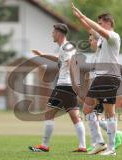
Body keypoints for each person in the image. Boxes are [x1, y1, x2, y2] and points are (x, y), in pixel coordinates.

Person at [28, 23, 87, 152]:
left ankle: (44, 146)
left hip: (63, 86)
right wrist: (42, 55)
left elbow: (71, 64)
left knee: (48, 114)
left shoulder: (66, 47)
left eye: (53, 32)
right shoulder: (65, 47)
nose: (51, 34)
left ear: (59, 33)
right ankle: (82, 146)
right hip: (69, 86)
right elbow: (58, 60)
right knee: (75, 117)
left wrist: (74, 83)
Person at [72, 3, 121, 156]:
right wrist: (80, 17)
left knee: (109, 113)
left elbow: (98, 30)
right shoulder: (101, 39)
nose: (98, 25)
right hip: (100, 78)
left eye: (101, 22)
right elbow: (90, 29)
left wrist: (84, 16)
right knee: (87, 109)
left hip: (109, 77)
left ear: (108, 23)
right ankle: (99, 143)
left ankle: (112, 148)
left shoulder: (113, 36)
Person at [86, 34, 122, 152]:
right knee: (92, 113)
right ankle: (100, 141)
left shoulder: (103, 53)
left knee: (102, 114)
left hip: (105, 84)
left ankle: (105, 143)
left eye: (91, 40)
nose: (89, 43)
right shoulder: (95, 57)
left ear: (98, 41)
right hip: (97, 86)